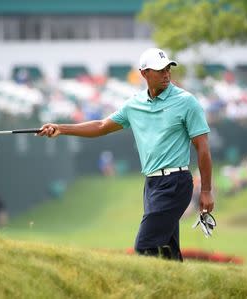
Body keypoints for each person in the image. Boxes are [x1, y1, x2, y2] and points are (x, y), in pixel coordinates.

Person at [39, 48, 214, 261]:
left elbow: (202, 148)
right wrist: (62, 128)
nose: (166, 74)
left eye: (168, 68)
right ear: (144, 73)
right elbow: (102, 126)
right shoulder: (134, 104)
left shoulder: (186, 102)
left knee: (145, 247)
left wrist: (205, 190)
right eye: (160, 70)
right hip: (152, 184)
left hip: (176, 183)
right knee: (167, 252)